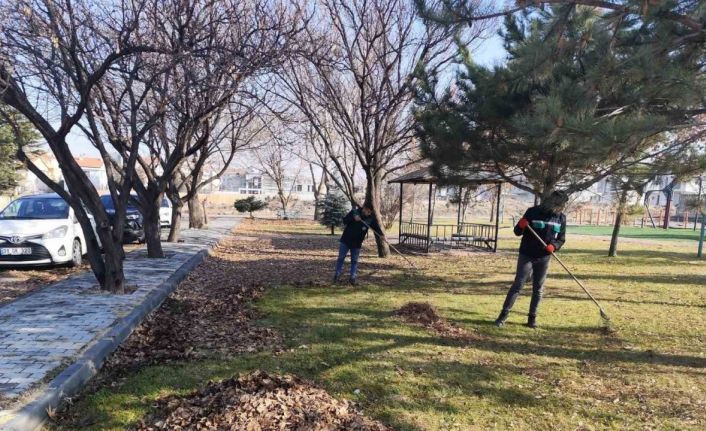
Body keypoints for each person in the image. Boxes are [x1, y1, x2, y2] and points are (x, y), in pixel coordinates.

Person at [495, 190, 568, 328]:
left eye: (563, 205)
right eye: (560, 204)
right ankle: (502, 316)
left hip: (544, 257)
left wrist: (554, 245)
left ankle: (531, 319)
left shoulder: (561, 218)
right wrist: (521, 225)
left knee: (538, 289)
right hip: (527, 254)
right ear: (552, 202)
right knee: (518, 285)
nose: (561, 207)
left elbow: (561, 239)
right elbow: (517, 232)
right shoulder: (532, 212)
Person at [334, 204, 382, 285]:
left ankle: (352, 278)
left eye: (371, 212)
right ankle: (336, 275)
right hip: (346, 240)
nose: (369, 213)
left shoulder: (370, 219)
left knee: (354, 261)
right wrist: (353, 218)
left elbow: (376, 228)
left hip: (357, 243)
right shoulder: (354, 212)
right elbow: (344, 220)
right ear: (364, 208)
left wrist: (381, 235)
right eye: (368, 211)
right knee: (341, 258)